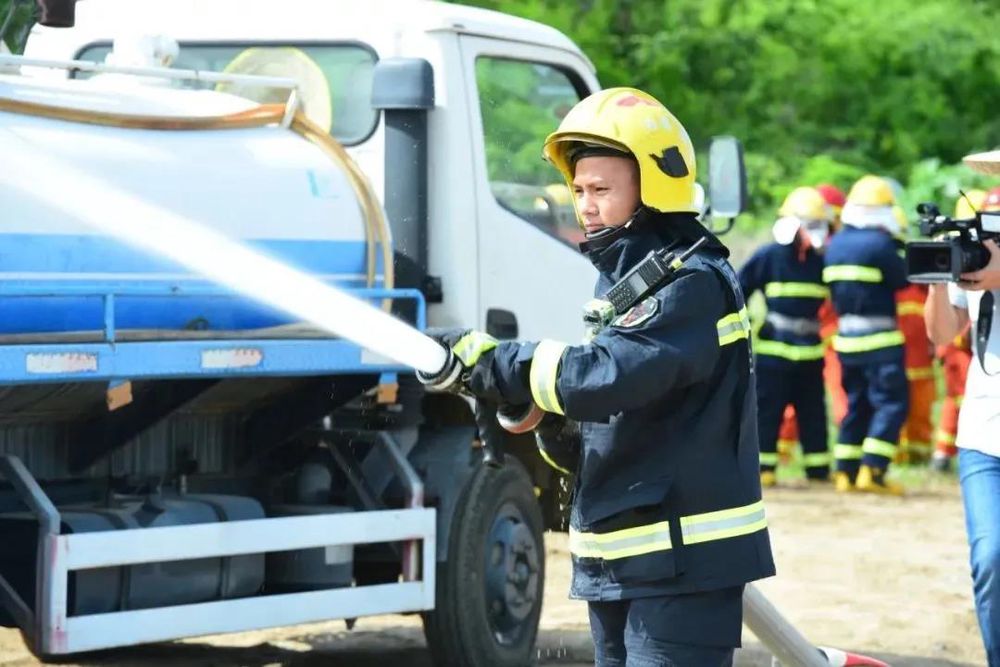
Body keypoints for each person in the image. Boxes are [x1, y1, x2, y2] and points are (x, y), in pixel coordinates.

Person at [424, 87, 774, 666]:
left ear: (653, 187)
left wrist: (499, 363)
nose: (585, 205)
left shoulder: (691, 285)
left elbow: (611, 377)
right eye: (579, 189)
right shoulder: (627, 281)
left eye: (602, 190)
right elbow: (617, 414)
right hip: (624, 555)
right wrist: (544, 420)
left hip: (680, 563)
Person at [924, 152, 1000, 666]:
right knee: (992, 558)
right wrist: (935, 274)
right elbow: (942, 334)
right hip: (984, 437)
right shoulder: (977, 249)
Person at [739, 187, 833, 486]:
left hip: (810, 352)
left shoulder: (823, 259)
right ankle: (764, 470)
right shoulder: (768, 256)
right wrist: (749, 324)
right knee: (767, 412)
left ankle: (817, 471)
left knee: (813, 413)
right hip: (774, 352)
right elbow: (737, 290)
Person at [823, 175, 909, 494]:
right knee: (890, 403)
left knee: (857, 403)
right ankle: (873, 469)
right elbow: (902, 281)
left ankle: (845, 470)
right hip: (881, 341)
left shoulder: (836, 245)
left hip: (847, 340)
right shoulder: (881, 244)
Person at [931, 189, 986, 471]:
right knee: (956, 397)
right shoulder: (963, 276)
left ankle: (942, 452)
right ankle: (942, 453)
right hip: (958, 347)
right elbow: (943, 328)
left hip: (965, 346)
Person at [893, 206, 936, 464]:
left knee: (919, 405)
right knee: (898, 405)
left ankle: (918, 454)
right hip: (898, 350)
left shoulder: (918, 269)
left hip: (917, 351)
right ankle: (897, 453)